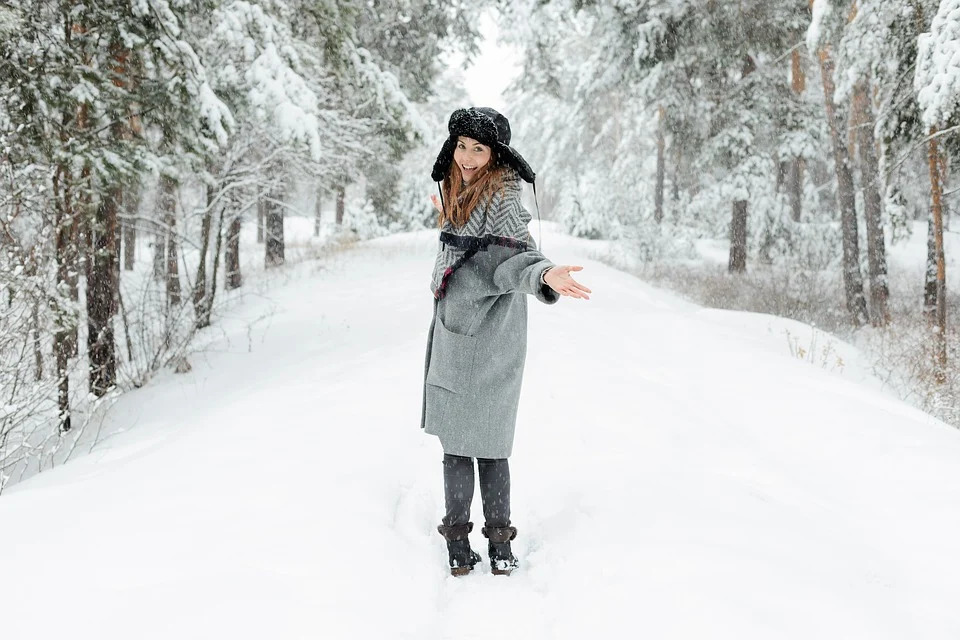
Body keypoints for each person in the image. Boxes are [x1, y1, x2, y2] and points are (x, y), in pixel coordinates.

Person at [420, 107, 592, 577]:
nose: (468, 157)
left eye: (479, 148)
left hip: (493, 336)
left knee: (490, 444)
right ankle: (462, 545)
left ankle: (497, 545)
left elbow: (520, 257)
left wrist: (546, 274)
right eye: (461, 146)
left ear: (496, 155)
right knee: (458, 445)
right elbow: (465, 243)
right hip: (457, 332)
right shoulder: (458, 190)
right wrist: (447, 214)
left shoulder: (503, 197)